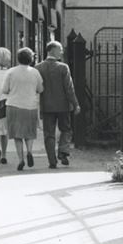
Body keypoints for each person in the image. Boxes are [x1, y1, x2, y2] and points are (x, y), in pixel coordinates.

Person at [36, 41, 80, 169]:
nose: (61, 51)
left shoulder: (38, 68)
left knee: (48, 134)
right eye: (59, 49)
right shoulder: (63, 67)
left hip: (47, 106)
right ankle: (63, 152)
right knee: (66, 129)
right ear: (51, 50)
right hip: (63, 106)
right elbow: (69, 88)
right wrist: (75, 104)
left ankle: (52, 161)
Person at [0, 47, 43, 171]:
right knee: (29, 133)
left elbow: (5, 90)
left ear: (18, 59)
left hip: (13, 105)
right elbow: (40, 89)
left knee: (17, 135)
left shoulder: (11, 72)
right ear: (30, 59)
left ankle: (21, 159)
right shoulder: (35, 72)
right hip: (30, 106)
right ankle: (29, 151)